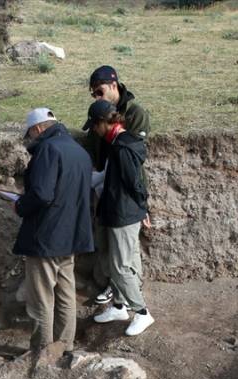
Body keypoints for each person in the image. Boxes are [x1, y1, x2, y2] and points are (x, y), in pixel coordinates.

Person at [3, 108, 94, 351]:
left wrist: (20, 205)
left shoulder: (47, 149)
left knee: (41, 297)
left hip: (46, 237)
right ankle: (64, 348)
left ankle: (42, 351)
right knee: (66, 294)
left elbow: (42, 194)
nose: (31, 139)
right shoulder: (79, 151)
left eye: (30, 134)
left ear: (38, 128)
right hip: (72, 235)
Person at [80, 65, 152, 305]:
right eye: (93, 94)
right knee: (108, 242)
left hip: (124, 192)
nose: (96, 96)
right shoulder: (99, 116)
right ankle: (120, 297)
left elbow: (133, 164)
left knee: (125, 251)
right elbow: (93, 149)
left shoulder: (135, 114)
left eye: (99, 92)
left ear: (113, 85)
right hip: (106, 187)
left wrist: (142, 204)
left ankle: (136, 304)